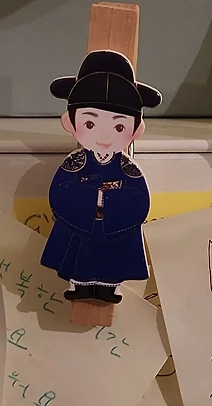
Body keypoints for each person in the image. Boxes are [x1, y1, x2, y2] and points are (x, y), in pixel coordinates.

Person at [42, 50, 160, 304]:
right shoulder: (75, 162)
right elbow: (60, 191)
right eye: (90, 124)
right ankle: (80, 286)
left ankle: (108, 288)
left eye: (119, 126)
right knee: (79, 258)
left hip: (112, 227)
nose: (105, 136)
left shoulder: (127, 168)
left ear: (136, 129)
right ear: (70, 122)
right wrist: (92, 197)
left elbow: (140, 200)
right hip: (82, 226)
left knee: (111, 260)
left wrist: (107, 201)